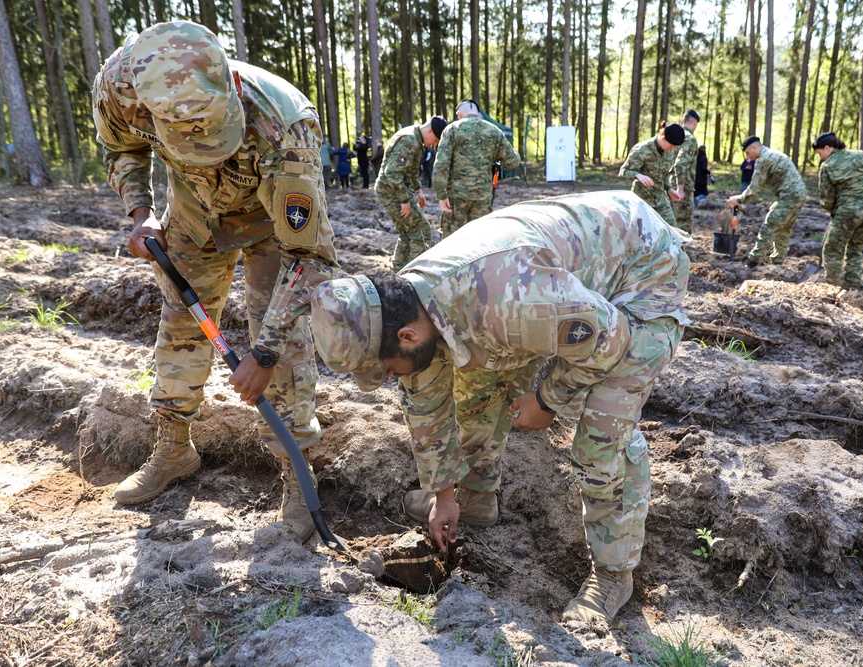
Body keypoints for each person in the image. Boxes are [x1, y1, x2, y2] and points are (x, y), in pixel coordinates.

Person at [310, 190, 690, 626]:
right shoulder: (408, 303)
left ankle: (613, 574)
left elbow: (609, 340)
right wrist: (444, 495)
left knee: (602, 438)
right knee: (472, 384)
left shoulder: (515, 304)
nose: (391, 377)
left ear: (407, 336)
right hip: (557, 286)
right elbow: (426, 399)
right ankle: (474, 496)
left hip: (641, 273)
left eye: (386, 369)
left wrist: (548, 400)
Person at [92, 20, 338, 542]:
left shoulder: (284, 126)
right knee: (183, 318)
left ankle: (297, 472)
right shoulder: (121, 85)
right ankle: (174, 446)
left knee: (286, 332)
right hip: (193, 213)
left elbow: (310, 255)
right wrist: (141, 212)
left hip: (273, 226)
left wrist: (264, 353)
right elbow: (121, 149)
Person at [432, 99, 521, 238]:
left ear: (459, 114)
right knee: (480, 240)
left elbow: (441, 165)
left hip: (456, 198)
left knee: (452, 240)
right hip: (482, 197)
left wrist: (441, 196)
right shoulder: (494, 131)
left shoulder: (452, 130)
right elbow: (513, 162)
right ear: (478, 114)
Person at [812, 132, 863, 289]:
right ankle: (853, 286)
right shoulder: (859, 155)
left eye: (820, 153)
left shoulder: (827, 166)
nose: (820, 158)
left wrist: (835, 211)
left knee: (832, 250)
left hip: (847, 211)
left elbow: (826, 199)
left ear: (827, 147)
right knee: (855, 248)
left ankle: (833, 289)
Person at [374, 116, 447, 271]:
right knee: (420, 230)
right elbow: (392, 173)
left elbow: (411, 171)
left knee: (407, 232)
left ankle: (398, 270)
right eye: (435, 140)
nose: (434, 145)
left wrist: (418, 190)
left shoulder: (417, 140)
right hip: (391, 192)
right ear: (429, 130)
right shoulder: (409, 140)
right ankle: (416, 273)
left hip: (395, 190)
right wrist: (404, 200)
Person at [726, 136, 806, 268]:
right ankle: (778, 262)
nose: (748, 156)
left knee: (769, 226)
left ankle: (752, 262)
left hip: (789, 196)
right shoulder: (773, 154)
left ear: (754, 147)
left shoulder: (764, 159)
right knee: (784, 229)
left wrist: (739, 199)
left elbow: (755, 187)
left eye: (748, 152)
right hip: (798, 194)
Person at [619, 122, 687, 227]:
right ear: (663, 138)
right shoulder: (642, 150)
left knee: (673, 231)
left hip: (660, 201)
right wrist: (638, 175)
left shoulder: (668, 151)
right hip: (642, 201)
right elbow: (624, 171)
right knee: (643, 235)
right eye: (672, 145)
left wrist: (669, 189)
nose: (673, 149)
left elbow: (664, 174)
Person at [669, 110, 701, 232]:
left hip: (669, 185)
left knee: (671, 221)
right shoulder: (689, 139)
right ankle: (680, 250)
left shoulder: (673, 136)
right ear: (694, 122)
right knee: (683, 226)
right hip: (683, 187)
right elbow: (680, 164)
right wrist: (680, 188)